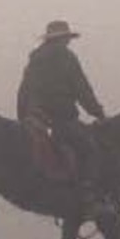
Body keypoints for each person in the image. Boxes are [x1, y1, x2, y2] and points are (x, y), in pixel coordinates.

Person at [16, 19, 110, 196]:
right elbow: (82, 89)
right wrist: (99, 113)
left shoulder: (35, 59)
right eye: (66, 38)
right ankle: (87, 194)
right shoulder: (66, 57)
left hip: (35, 117)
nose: (68, 42)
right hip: (60, 117)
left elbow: (23, 90)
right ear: (62, 39)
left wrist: (22, 116)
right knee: (89, 149)